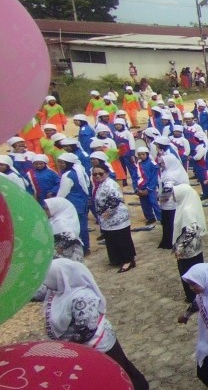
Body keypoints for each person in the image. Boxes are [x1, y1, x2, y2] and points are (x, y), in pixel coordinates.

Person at [42, 259, 149, 390]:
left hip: (99, 345)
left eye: (48, 278)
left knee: (118, 371)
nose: (46, 284)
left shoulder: (82, 296)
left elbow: (87, 329)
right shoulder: (60, 292)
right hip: (81, 348)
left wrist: (64, 345)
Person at [170, 183, 207, 302]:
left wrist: (179, 248)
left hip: (188, 250)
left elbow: (190, 231)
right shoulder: (186, 205)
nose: (173, 196)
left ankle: (194, 298)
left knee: (188, 272)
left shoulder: (187, 210)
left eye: (175, 194)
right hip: (195, 247)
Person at [56, 153, 91, 254]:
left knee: (76, 227)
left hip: (73, 204)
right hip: (82, 202)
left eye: (62, 162)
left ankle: (79, 248)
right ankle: (86, 246)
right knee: (83, 226)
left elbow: (62, 193)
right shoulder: (80, 171)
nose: (60, 164)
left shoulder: (67, 175)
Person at [44, 197, 84, 261]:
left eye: (47, 209)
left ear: (56, 209)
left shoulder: (61, 224)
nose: (44, 211)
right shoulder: (61, 220)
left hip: (66, 260)